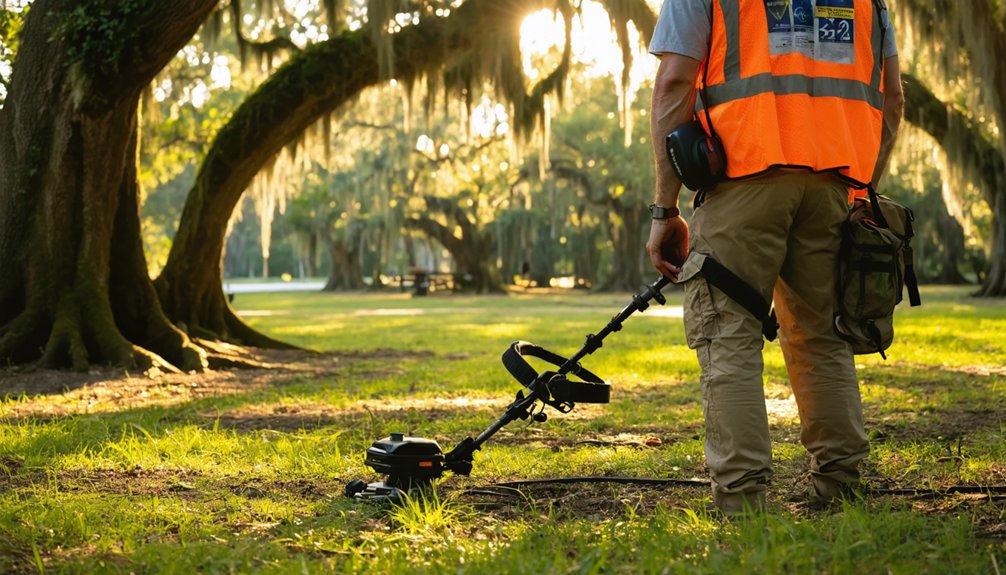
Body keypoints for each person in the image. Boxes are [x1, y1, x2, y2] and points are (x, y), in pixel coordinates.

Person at [646, 0, 904, 514]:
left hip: (743, 180)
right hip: (832, 186)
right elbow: (892, 98)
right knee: (822, 334)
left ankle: (743, 501)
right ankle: (840, 485)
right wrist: (862, 192)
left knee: (728, 334)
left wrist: (665, 208)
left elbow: (675, 83)